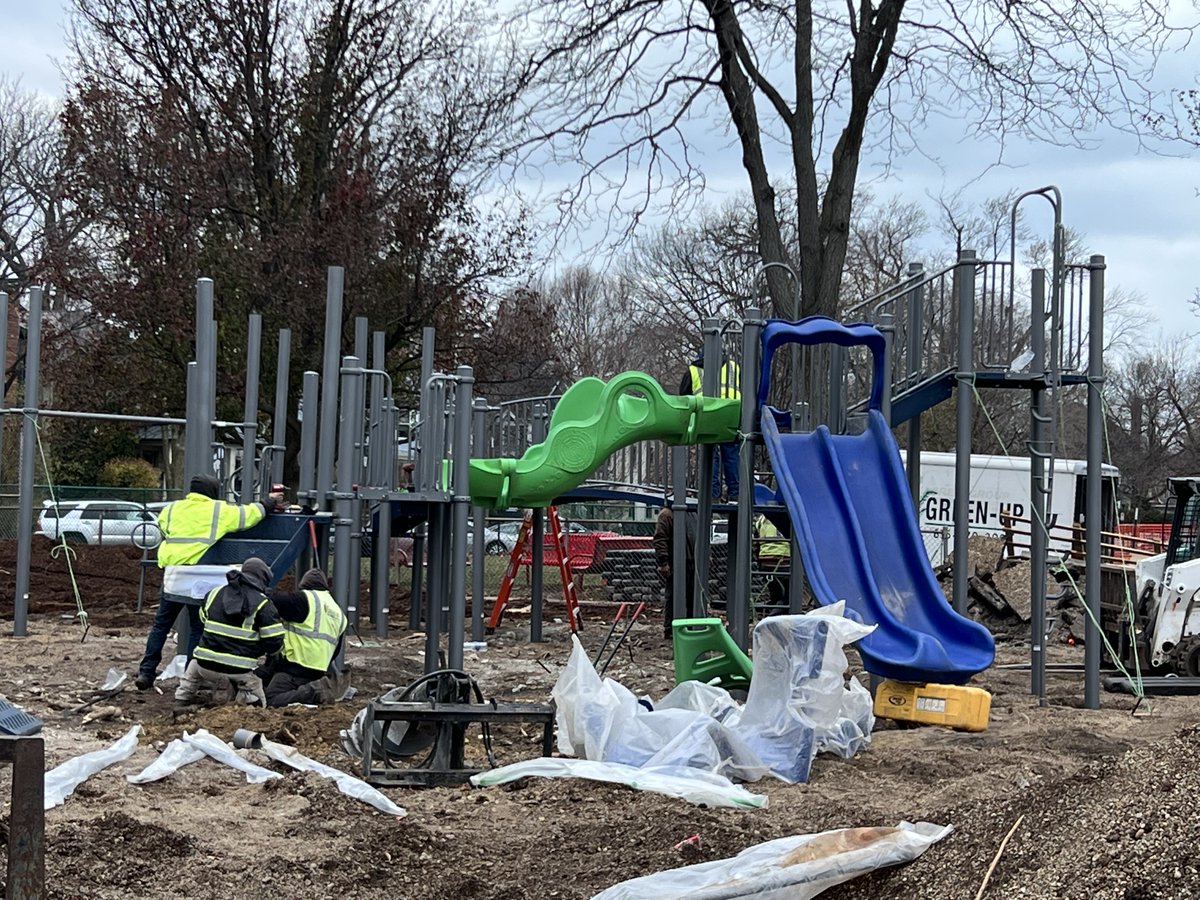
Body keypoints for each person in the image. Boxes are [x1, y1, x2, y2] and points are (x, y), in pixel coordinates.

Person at [135, 474, 281, 691]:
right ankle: (189, 677)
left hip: (174, 577)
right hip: (199, 581)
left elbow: (164, 530)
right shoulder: (219, 511)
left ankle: (146, 672)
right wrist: (269, 502)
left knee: (161, 626)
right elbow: (249, 515)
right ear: (214, 491)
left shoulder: (172, 509)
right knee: (197, 628)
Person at [175, 557, 284, 710]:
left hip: (204, 665)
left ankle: (182, 699)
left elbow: (203, 619)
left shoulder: (215, 593)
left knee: (194, 665)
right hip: (239, 670)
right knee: (258, 699)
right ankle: (252, 705)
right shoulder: (263, 604)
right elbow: (274, 641)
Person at [259, 568, 348, 707]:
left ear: (304, 586)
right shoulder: (339, 613)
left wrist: (264, 592)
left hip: (294, 668)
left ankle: (314, 691)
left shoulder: (304, 599)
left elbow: (273, 601)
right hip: (318, 670)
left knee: (271, 699)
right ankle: (315, 688)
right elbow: (336, 651)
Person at [679, 347, 742, 501]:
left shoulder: (694, 371)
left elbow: (683, 397)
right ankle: (735, 492)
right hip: (730, 414)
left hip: (706, 416)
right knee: (731, 455)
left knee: (710, 454)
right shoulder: (733, 367)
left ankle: (712, 493)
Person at [653, 506, 699, 638]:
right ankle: (670, 629)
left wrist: (707, 555)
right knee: (673, 597)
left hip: (692, 562)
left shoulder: (693, 513)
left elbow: (701, 535)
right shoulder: (667, 515)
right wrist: (664, 562)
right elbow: (660, 539)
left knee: (693, 598)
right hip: (676, 562)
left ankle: (691, 626)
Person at [754, 513, 791, 614]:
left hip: (765, 561)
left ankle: (772, 609)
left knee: (775, 593)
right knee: (790, 596)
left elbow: (756, 544)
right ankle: (774, 615)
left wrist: (760, 562)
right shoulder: (787, 517)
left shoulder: (760, 520)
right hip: (783, 560)